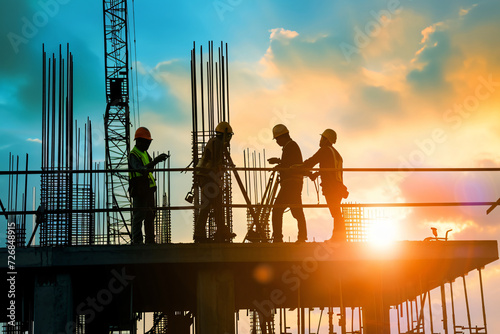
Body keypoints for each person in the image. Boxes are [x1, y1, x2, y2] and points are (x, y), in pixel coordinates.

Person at [295, 129, 348, 242]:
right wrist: (317, 173)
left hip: (331, 187)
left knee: (335, 213)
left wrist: (299, 167)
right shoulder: (336, 154)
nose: (320, 140)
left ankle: (338, 238)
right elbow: (330, 169)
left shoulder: (324, 150)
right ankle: (340, 237)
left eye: (322, 138)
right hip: (338, 186)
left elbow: (312, 161)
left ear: (326, 139)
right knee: (336, 212)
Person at [193, 121, 236, 243]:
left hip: (207, 176)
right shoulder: (217, 143)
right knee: (210, 205)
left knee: (217, 204)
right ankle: (202, 234)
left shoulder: (215, 142)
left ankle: (220, 230)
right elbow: (217, 162)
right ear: (225, 134)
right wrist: (225, 166)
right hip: (207, 177)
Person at [268, 124, 307, 243]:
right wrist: (279, 163)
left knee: (277, 209)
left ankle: (278, 238)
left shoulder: (291, 146)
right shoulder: (290, 146)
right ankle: (302, 237)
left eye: (277, 139)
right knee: (297, 211)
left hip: (290, 184)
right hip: (294, 184)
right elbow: (290, 163)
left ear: (282, 137)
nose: (277, 142)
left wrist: (278, 164)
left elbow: (290, 163)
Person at [128, 127, 168, 245]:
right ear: (139, 141)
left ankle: (150, 240)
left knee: (150, 215)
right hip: (140, 189)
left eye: (149, 142)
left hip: (149, 189)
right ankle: (138, 242)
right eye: (147, 142)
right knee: (139, 215)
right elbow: (141, 169)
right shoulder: (133, 154)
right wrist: (156, 160)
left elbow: (150, 168)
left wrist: (154, 162)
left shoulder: (144, 152)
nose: (148, 145)